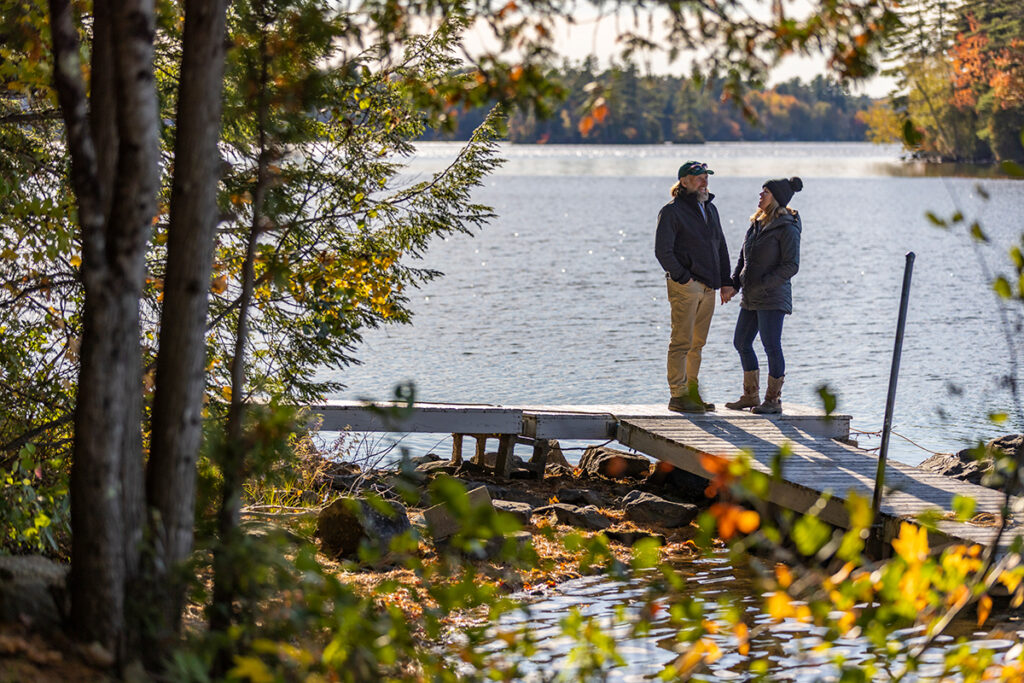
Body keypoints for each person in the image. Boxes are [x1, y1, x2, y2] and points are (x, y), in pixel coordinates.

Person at [655, 161, 736, 414]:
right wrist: (683, 277)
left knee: (697, 344)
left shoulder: (710, 209)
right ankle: (678, 396)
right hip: (686, 286)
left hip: (710, 287)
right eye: (698, 177)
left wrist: (725, 282)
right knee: (681, 341)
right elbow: (663, 251)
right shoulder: (672, 211)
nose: (704, 181)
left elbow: (720, 247)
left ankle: (692, 394)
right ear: (684, 181)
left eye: (706, 177)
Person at [722, 176, 803, 414]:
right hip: (751, 296)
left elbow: (792, 265)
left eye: (765, 192)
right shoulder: (757, 224)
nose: (760, 195)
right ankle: (750, 396)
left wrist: (765, 284)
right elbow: (742, 259)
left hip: (772, 296)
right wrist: (734, 284)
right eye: (761, 191)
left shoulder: (787, 227)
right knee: (741, 342)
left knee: (771, 345)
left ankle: (773, 400)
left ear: (776, 198)